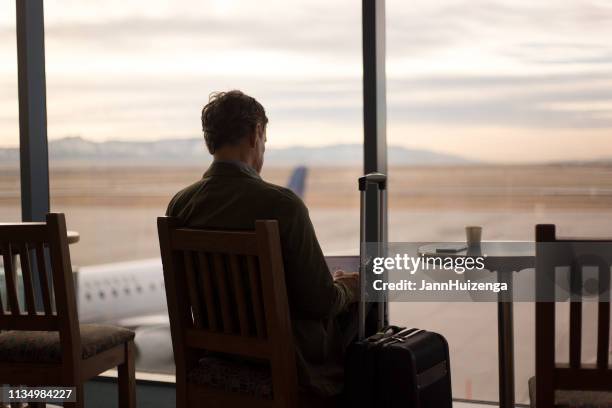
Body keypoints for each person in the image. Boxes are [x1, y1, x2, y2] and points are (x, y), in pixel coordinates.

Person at [166, 90, 359, 397]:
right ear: (256, 134)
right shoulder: (282, 205)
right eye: (265, 140)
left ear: (209, 141)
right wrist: (348, 287)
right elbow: (320, 302)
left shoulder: (180, 205)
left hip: (215, 358)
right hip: (286, 366)